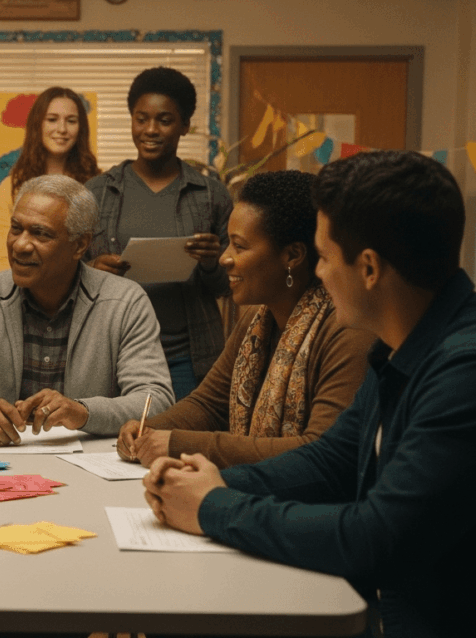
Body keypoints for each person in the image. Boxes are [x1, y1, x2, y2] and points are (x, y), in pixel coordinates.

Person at [143, 151, 476, 637]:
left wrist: (212, 507)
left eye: (323, 257)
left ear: (368, 268)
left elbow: (377, 538)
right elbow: (333, 459)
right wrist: (209, 481)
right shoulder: (408, 343)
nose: (318, 275)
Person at [116, 170, 376, 468]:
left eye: (239, 246)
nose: (225, 258)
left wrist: (177, 443)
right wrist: (148, 428)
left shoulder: (346, 330)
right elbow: (209, 404)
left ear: (292, 256)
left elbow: (318, 451)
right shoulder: (257, 316)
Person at [0, 175, 174, 445]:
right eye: (16, 229)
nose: (20, 245)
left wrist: (83, 412)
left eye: (40, 233)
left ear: (80, 245)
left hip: (92, 468)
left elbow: (153, 400)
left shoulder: (126, 302)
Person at [86, 66, 233, 401]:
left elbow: (227, 287)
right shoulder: (97, 192)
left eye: (164, 120)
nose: (150, 130)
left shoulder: (211, 195)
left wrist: (212, 263)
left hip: (188, 359)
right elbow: (65, 273)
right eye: (141, 118)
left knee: (179, 445)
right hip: (114, 353)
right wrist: (91, 271)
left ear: (184, 125)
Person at [0, 87, 100, 274]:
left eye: (71, 121)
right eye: (52, 120)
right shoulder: (12, 186)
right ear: (37, 124)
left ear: (81, 128)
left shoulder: (97, 184)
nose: (62, 129)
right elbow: (0, 260)